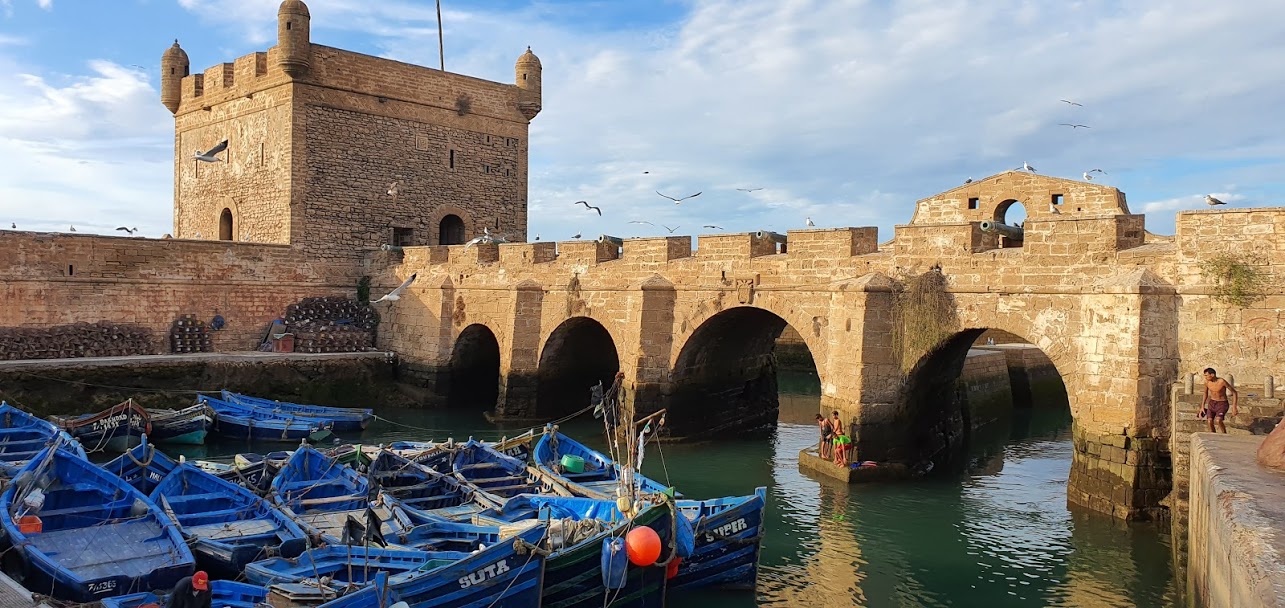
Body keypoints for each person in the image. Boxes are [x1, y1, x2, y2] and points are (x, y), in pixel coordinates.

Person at [1201, 368, 1238, 434]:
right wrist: (1202, 406)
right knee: (1209, 421)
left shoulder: (1222, 382)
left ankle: (1224, 434)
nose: (1205, 377)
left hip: (1222, 403)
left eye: (1206, 375)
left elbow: (1234, 393)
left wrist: (1234, 407)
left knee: (1218, 420)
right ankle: (1213, 435)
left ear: (1212, 375)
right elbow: (1205, 393)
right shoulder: (1207, 382)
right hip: (1212, 403)